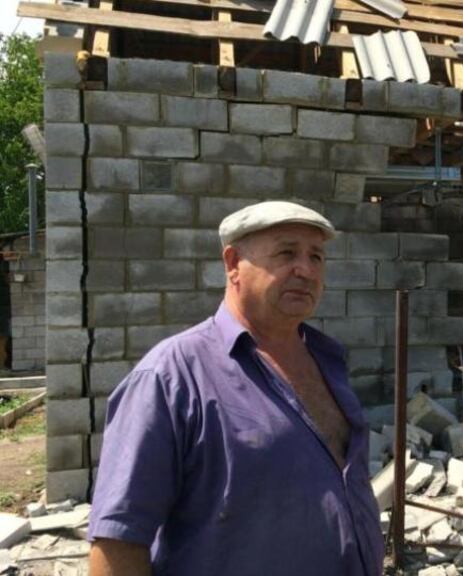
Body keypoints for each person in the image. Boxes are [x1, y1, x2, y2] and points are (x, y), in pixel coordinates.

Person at [87, 201, 384, 576]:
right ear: (232, 264)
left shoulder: (328, 362)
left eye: (317, 257)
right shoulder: (170, 378)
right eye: (287, 252)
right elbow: (118, 541)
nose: (306, 270)